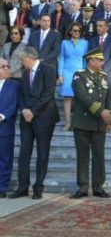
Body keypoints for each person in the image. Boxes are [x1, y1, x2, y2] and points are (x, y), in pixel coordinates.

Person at [9, 46, 60, 199]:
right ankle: (22, 187)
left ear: (30, 58)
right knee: (24, 153)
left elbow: (48, 93)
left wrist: (33, 111)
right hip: (26, 119)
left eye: (22, 60)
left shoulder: (48, 69)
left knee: (42, 153)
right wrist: (24, 109)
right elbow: (21, 94)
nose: (21, 63)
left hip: (44, 117)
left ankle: (38, 188)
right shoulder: (25, 74)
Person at [70, 47, 111, 199]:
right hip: (83, 122)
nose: (102, 62)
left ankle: (98, 187)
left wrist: (108, 118)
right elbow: (82, 97)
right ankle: (82, 187)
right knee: (82, 156)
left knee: (99, 156)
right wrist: (101, 111)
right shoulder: (79, 76)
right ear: (91, 61)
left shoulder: (104, 76)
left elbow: (107, 98)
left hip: (99, 123)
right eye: (99, 60)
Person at [58, 22, 89, 131]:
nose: (77, 32)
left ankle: (77, 123)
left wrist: (86, 74)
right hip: (67, 72)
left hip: (80, 72)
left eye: (79, 30)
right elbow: (61, 58)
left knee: (79, 98)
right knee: (67, 98)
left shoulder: (85, 43)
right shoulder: (64, 43)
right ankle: (67, 123)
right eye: (74, 30)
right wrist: (60, 74)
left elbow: (85, 59)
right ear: (70, 31)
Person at [88, 19, 111, 109]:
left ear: (106, 27)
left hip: (107, 72)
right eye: (97, 26)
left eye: (100, 26)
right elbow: (89, 56)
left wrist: (104, 71)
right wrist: (95, 69)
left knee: (108, 91)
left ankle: (109, 116)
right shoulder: (92, 40)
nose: (98, 28)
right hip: (94, 71)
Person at [0, 59, 19, 198]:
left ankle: (2, 187)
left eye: (8, 66)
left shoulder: (15, 85)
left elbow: (14, 104)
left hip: (5, 127)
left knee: (5, 159)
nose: (7, 68)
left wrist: (2, 116)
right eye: (3, 66)